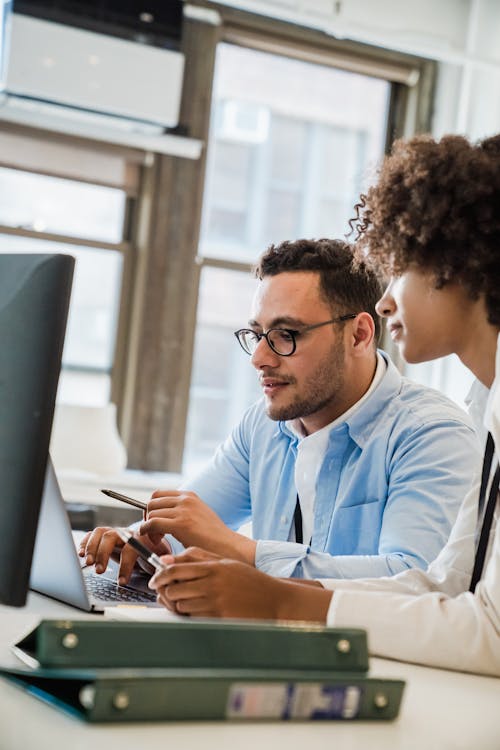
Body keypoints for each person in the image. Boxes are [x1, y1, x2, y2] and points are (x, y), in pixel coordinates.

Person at [148, 133, 500, 677]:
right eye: (258, 335)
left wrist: (275, 593)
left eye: (401, 268)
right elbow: (437, 587)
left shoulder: (439, 429)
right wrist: (146, 545)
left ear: (461, 266)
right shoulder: (488, 403)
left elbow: (487, 628)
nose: (385, 301)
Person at [80, 239, 478, 584]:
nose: (259, 358)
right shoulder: (264, 425)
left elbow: (414, 579)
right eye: (257, 335)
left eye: (285, 335)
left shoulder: (433, 433)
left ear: (359, 334)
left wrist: (238, 549)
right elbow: (186, 526)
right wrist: (136, 542)